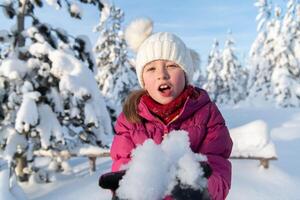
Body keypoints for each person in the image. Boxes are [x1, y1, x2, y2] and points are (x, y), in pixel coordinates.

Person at [109, 18, 233, 200]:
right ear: (143, 80)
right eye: (151, 68)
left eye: (171, 66)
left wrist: (203, 187)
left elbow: (219, 166)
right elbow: (123, 161)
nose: (162, 74)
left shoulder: (207, 114)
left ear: (185, 73)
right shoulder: (130, 119)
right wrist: (127, 187)